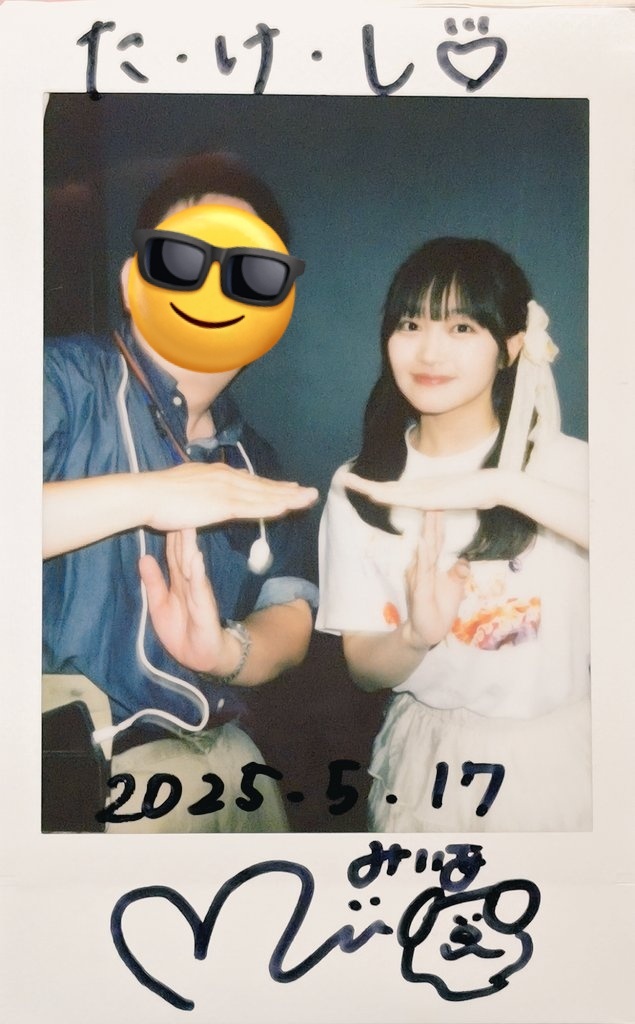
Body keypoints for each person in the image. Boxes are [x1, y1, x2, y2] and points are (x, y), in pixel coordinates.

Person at [43, 153, 318, 833]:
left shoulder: (255, 459)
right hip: (82, 783)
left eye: (250, 271)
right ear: (132, 281)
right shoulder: (57, 381)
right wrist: (150, 495)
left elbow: (290, 619)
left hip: (231, 769)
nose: (213, 290)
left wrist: (225, 651)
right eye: (180, 259)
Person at [317, 237, 590, 832]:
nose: (429, 351)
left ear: (511, 348)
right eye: (411, 324)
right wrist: (414, 636)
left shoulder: (567, 467)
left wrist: (505, 488)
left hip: (558, 757)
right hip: (427, 758)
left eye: (462, 327)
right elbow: (363, 667)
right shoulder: (361, 484)